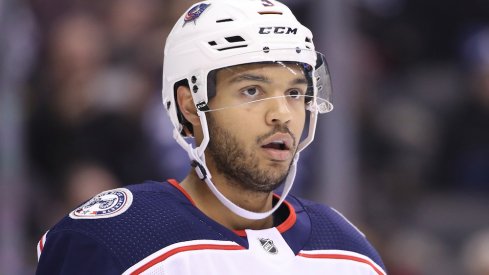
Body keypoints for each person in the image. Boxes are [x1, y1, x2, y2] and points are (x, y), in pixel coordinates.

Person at [36, 0, 386, 274]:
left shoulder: (347, 251)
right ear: (190, 105)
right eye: (252, 91)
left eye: (295, 93)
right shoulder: (117, 241)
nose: (281, 113)